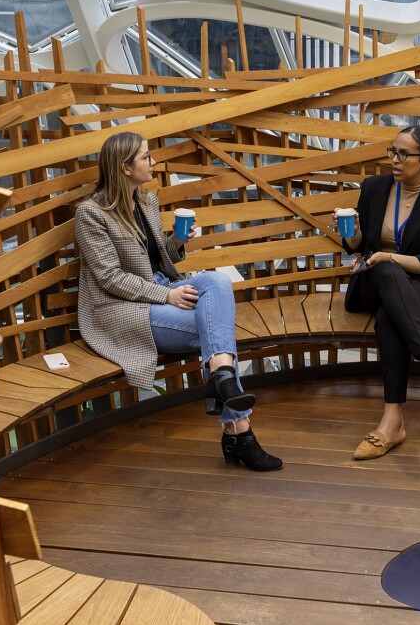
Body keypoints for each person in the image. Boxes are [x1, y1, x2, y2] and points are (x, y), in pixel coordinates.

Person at [74, 131, 282, 471]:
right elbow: (110, 278)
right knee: (213, 330)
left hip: (157, 289)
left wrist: (176, 241)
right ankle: (239, 431)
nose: (153, 162)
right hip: (122, 309)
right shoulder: (91, 214)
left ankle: (223, 381)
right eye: (145, 157)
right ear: (125, 167)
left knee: (217, 280)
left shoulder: (146, 201)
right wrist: (166, 294)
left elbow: (155, 261)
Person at [341, 125, 420, 460]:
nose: (395, 160)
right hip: (372, 281)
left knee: (390, 315)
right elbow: (358, 248)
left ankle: (391, 422)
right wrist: (352, 235)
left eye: (404, 154)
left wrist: (390, 256)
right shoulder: (373, 188)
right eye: (392, 151)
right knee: (383, 268)